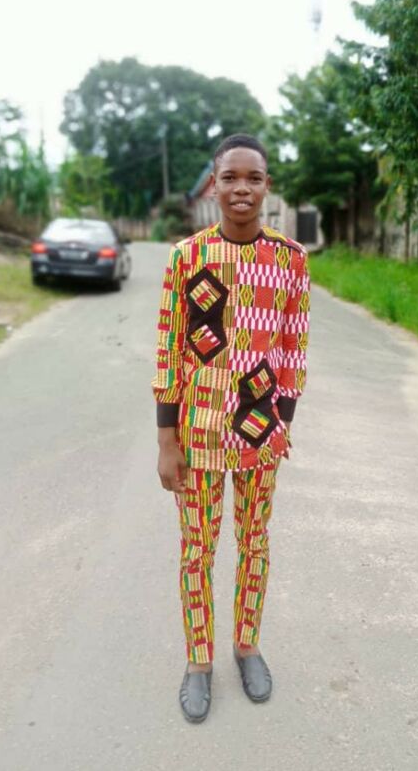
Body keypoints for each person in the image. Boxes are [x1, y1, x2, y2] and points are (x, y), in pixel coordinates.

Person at [151, 133, 310, 723]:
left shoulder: (291, 259)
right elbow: (170, 351)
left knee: (254, 543)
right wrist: (166, 441)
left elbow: (292, 347)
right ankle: (198, 660)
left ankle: (247, 647)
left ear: (267, 187)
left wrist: (281, 424)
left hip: (259, 432)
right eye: (230, 178)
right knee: (196, 549)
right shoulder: (186, 258)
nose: (242, 188)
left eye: (254, 178)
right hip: (197, 433)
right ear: (213, 187)